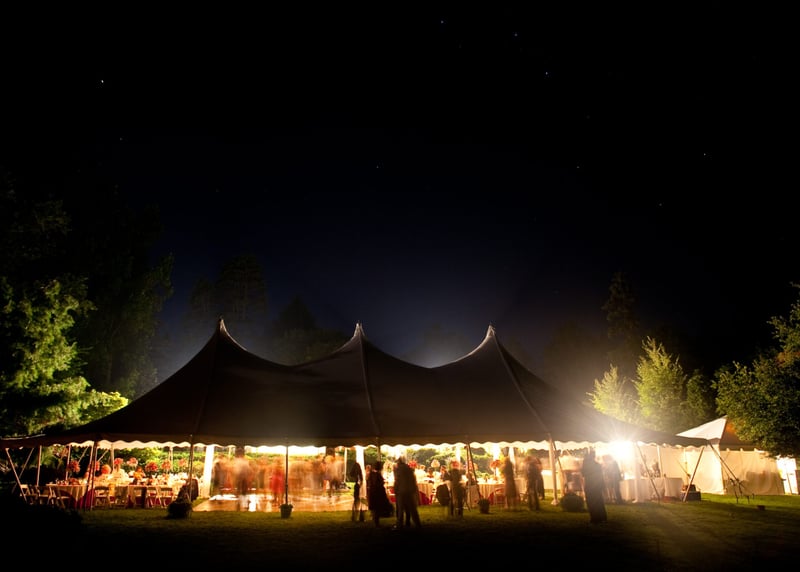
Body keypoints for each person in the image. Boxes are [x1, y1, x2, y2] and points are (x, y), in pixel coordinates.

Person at [393, 457, 421, 529]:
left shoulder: (398, 470)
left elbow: (397, 480)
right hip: (409, 491)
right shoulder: (409, 469)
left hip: (401, 491)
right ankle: (417, 523)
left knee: (400, 509)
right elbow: (413, 480)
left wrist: (395, 489)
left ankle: (400, 524)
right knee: (412, 508)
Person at [581, 448, 607, 524]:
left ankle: (594, 517)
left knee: (591, 502)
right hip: (597, 485)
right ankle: (602, 517)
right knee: (599, 501)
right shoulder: (598, 465)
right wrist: (602, 486)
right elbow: (601, 476)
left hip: (590, 485)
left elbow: (583, 474)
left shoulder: (586, 463)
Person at [366, 461, 391, 527]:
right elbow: (377, 483)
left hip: (373, 492)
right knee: (377, 508)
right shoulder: (376, 474)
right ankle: (376, 522)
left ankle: (375, 520)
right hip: (377, 493)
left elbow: (370, 482)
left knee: (375, 508)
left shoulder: (372, 474)